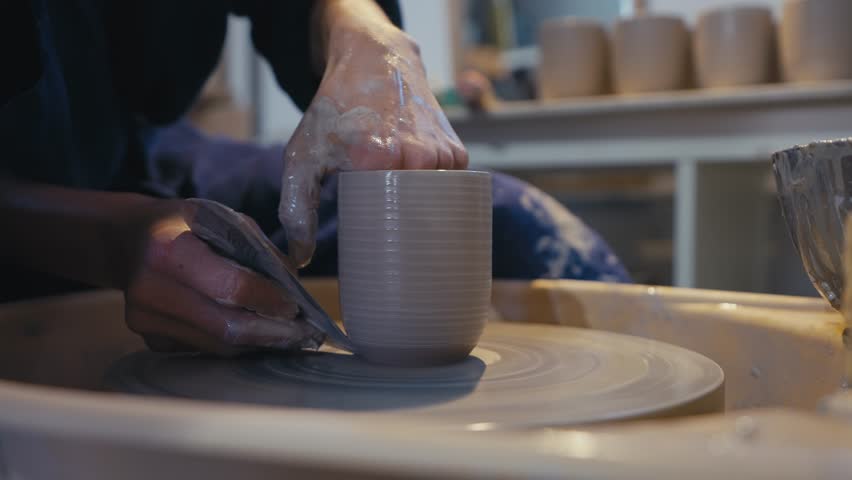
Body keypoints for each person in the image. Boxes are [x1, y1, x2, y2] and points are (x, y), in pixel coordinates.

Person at [0, 0, 629, 355]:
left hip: (130, 152)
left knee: (522, 229)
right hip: (23, 210)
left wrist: (360, 26)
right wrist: (112, 241)